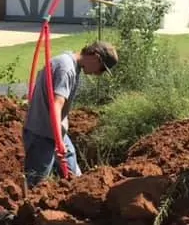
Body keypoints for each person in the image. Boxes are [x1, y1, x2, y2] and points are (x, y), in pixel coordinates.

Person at [23, 40, 118, 187]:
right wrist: (59, 144)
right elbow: (56, 105)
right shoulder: (66, 69)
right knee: (37, 186)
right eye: (101, 69)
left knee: (76, 179)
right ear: (96, 57)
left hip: (55, 132)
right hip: (41, 135)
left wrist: (61, 139)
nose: (98, 74)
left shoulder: (71, 65)